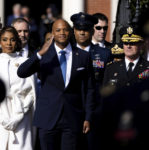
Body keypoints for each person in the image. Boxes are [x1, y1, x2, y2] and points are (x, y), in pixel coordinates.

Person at [17, 19, 95, 150]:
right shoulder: (44, 54)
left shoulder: (83, 56)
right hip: (48, 118)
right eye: (58, 30)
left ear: (70, 32)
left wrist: (88, 117)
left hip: (72, 118)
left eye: (65, 29)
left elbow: (90, 89)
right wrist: (40, 54)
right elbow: (22, 72)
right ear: (52, 33)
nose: (62, 33)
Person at [70, 12, 112, 150]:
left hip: (95, 110)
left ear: (91, 30)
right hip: (71, 111)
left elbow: (108, 84)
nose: (82, 33)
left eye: (86, 29)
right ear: (74, 30)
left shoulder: (105, 53)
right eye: (79, 29)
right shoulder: (66, 52)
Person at [0, 26, 36, 150]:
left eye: (12, 40)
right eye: (5, 39)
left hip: (22, 116)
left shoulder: (25, 62)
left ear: (17, 41)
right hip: (1, 116)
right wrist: (3, 116)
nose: (9, 43)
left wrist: (19, 115)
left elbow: (32, 93)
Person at [103, 25, 149, 89]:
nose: (128, 46)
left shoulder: (148, 67)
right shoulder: (111, 68)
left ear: (140, 45)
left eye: (132, 43)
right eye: (125, 43)